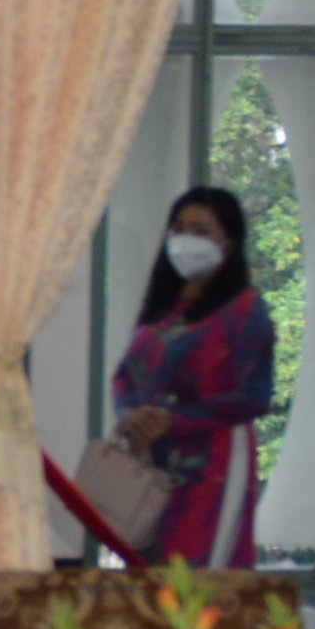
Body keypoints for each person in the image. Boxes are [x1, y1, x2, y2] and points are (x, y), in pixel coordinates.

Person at [108, 185, 275, 569]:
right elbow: (124, 376)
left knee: (196, 579)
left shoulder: (244, 308)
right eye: (179, 229)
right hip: (151, 461)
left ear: (229, 245)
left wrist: (173, 420)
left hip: (212, 466)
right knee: (148, 573)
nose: (186, 240)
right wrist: (133, 416)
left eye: (201, 231)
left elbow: (256, 394)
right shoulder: (164, 308)